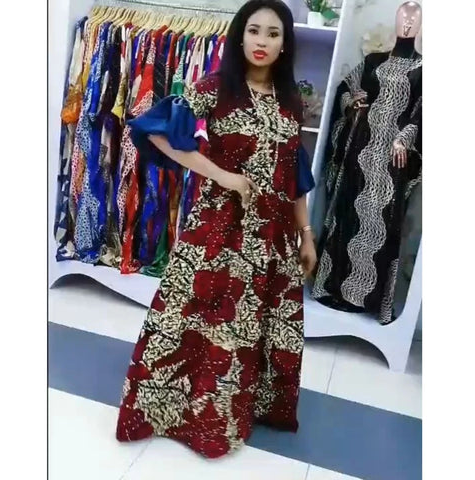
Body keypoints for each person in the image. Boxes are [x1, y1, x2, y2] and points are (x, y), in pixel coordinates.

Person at [116, 0, 317, 458]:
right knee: (195, 320)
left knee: (250, 326)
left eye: (273, 34)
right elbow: (156, 130)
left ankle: (233, 410)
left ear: (285, 44)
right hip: (218, 229)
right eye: (254, 31)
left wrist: (306, 233)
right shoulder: (216, 88)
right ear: (240, 36)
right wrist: (222, 175)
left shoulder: (291, 103)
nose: (261, 42)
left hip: (273, 238)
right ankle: (179, 412)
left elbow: (295, 174)